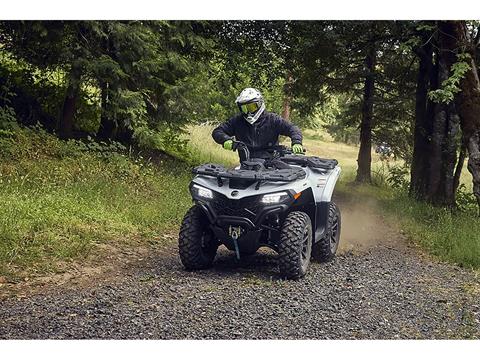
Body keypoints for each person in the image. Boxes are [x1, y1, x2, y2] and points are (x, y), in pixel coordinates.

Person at [212, 88, 303, 159]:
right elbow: (218, 131)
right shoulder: (237, 121)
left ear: (260, 104)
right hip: (246, 166)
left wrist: (296, 142)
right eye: (244, 108)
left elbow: (293, 128)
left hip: (272, 165)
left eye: (251, 107)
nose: (248, 111)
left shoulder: (273, 120)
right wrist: (225, 139)